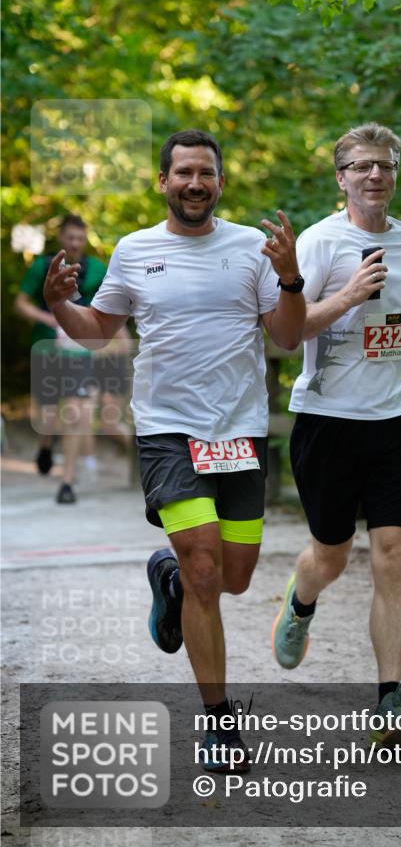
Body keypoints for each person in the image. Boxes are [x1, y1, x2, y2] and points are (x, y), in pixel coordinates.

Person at [43, 129, 305, 770]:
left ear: (220, 183)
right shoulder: (135, 251)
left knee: (236, 578)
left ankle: (166, 573)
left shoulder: (252, 249)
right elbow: (99, 331)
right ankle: (220, 724)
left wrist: (292, 279)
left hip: (240, 430)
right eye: (183, 172)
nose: (194, 183)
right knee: (207, 573)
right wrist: (59, 305)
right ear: (163, 181)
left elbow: (289, 338)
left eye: (205, 173)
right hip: (168, 431)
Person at [272, 122, 401, 747]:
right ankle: (301, 602)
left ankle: (391, 701)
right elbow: (289, 328)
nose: (375, 175)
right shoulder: (317, 242)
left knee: (393, 553)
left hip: (396, 421)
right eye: (361, 166)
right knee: (330, 555)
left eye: (385, 165)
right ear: (341, 177)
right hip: (328, 424)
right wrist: (349, 296)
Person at [14, 214, 107, 503]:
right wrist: (51, 319)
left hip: (79, 350)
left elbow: (112, 305)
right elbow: (21, 303)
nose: (76, 243)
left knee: (78, 413)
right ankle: (45, 444)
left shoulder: (98, 269)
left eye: (80, 238)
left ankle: (67, 482)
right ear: (61, 239)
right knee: (50, 416)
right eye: (71, 238)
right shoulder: (43, 266)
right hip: (47, 349)